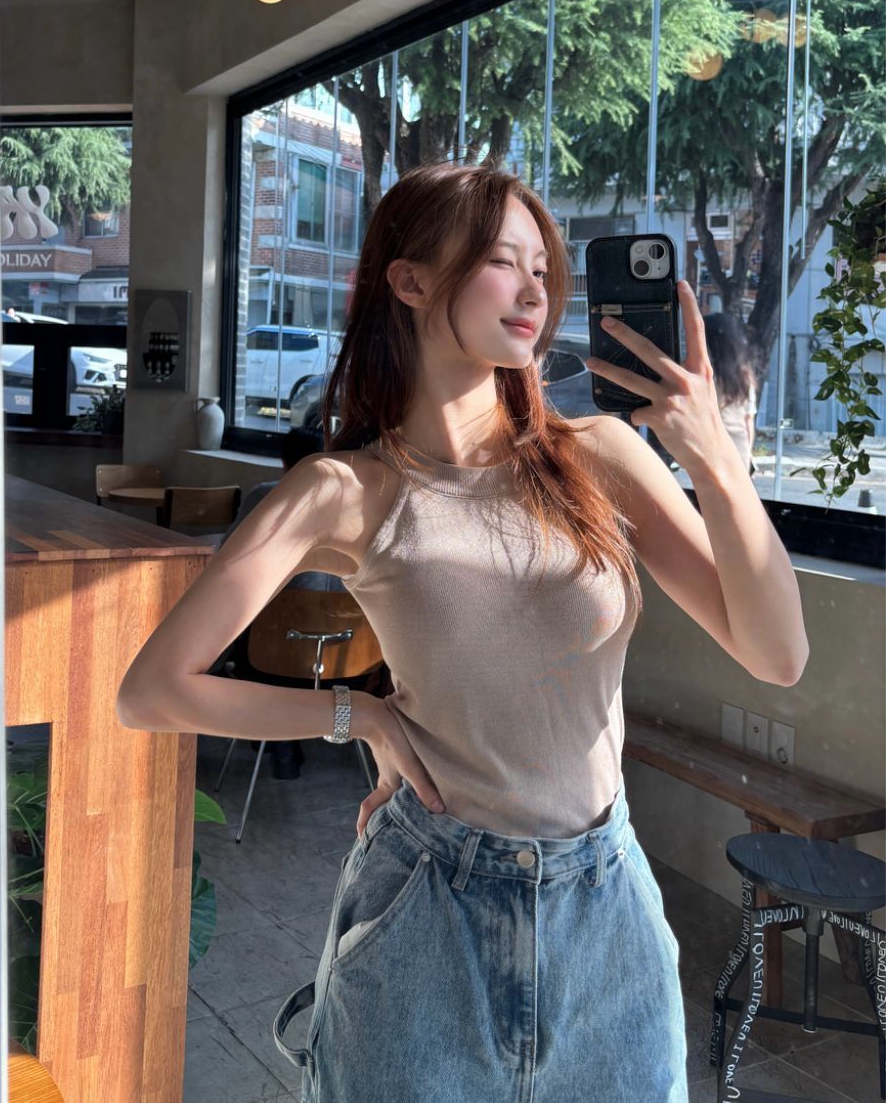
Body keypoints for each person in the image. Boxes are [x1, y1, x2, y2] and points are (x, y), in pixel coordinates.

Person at [116, 162, 807, 1102]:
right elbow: (152, 689)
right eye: (499, 261)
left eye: (542, 268)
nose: (534, 290)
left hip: (605, 909)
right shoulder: (344, 490)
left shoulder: (597, 457)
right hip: (427, 905)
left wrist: (713, 459)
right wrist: (357, 717)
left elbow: (777, 655)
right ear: (408, 280)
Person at [218, 426, 347, 779]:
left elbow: (224, 557)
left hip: (269, 654)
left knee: (246, 627)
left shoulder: (266, 496)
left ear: (284, 460)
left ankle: (275, 735)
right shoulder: (354, 508)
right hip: (346, 660)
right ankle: (280, 735)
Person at [704, 311, 759, 476]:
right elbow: (748, 421)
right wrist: (748, 454)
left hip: (715, 448)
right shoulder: (744, 375)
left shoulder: (708, 378)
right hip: (739, 448)